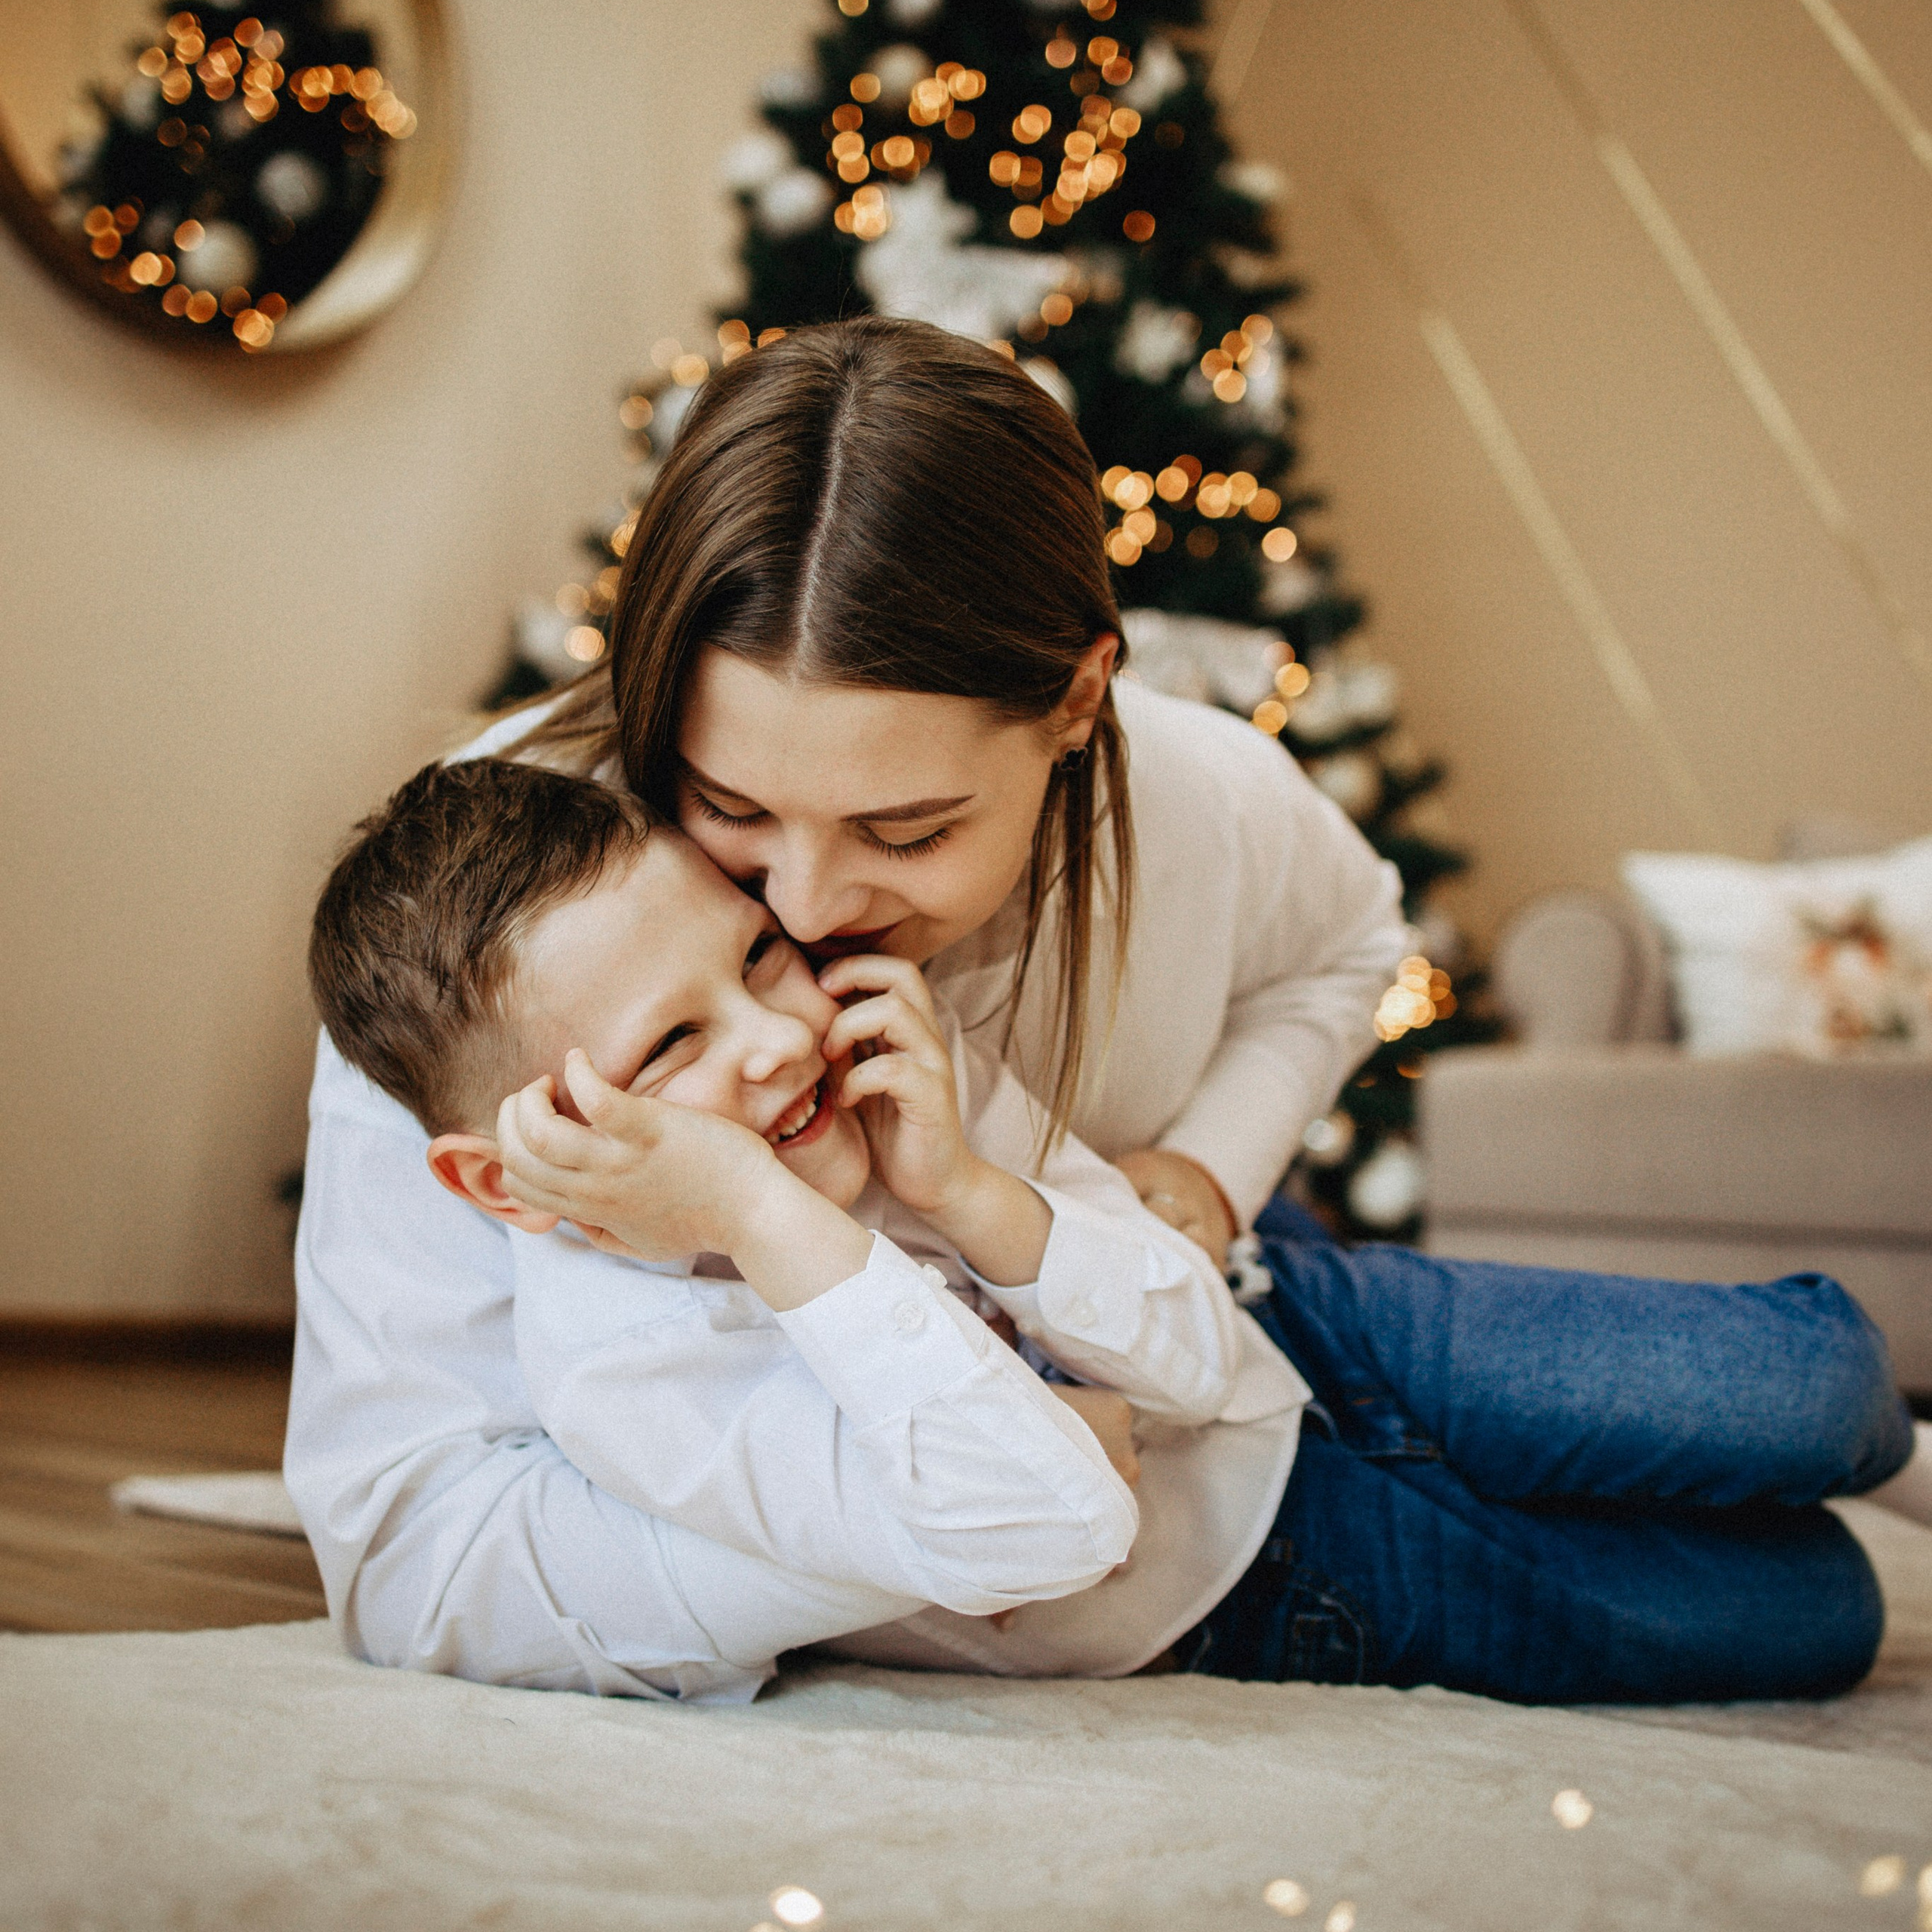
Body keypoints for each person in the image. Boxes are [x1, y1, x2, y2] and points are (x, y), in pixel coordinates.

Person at [287, 315, 1929, 1707]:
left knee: (1812, 1392)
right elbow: (410, 1543)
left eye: (907, 830)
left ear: (1076, 699)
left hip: (1242, 1303)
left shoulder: (1196, 793)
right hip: (1173, 1532)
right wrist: (902, 1505)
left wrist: (1201, 1176)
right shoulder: (505, 915)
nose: (794, 915)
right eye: (729, 807)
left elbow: (1345, 940)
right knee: (1812, 1611)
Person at [305, 755, 1296, 1700]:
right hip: (1256, 1584)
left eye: (759, 952)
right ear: (508, 1178)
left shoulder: (876, 1063)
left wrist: (961, 1190)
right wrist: (757, 1206)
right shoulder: (634, 1374)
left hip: (1311, 1339)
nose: (781, 1038)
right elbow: (1057, 1524)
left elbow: (1207, 1359)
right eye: (672, 1040)